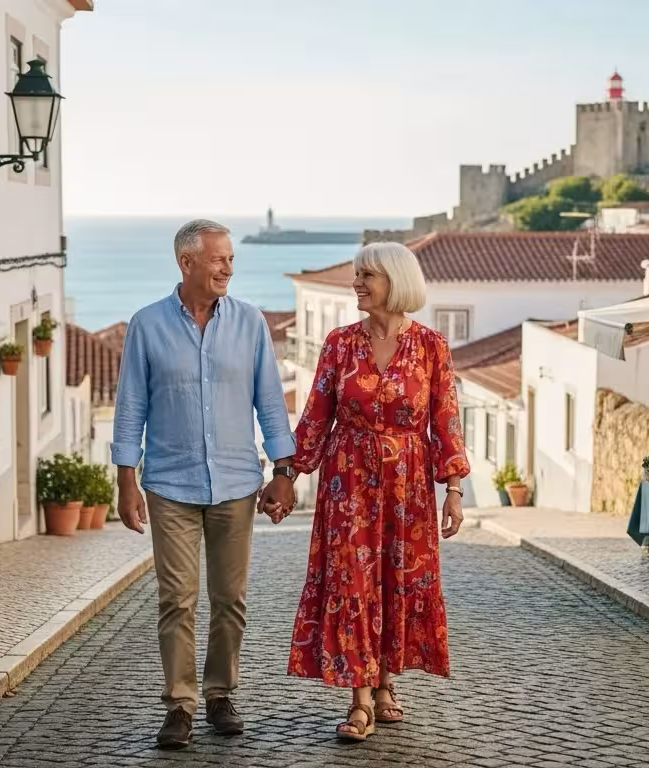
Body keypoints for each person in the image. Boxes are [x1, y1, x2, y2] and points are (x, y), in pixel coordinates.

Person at [112, 219, 298, 750]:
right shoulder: (147, 325)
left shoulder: (250, 322)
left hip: (237, 482)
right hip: (169, 483)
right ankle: (180, 704)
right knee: (176, 597)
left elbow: (270, 403)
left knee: (230, 598)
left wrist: (283, 473)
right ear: (186, 263)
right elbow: (131, 410)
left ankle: (219, 695)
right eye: (218, 260)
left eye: (231, 259)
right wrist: (127, 482)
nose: (228, 269)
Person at [273, 241, 469, 742]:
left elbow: (446, 421)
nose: (358, 284)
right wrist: (287, 476)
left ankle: (385, 685)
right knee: (353, 586)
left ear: (396, 282)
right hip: (349, 484)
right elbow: (316, 416)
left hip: (409, 488)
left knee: (394, 582)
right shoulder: (339, 344)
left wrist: (453, 490)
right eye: (358, 275)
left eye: (368, 276)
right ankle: (360, 700)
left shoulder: (431, 347)